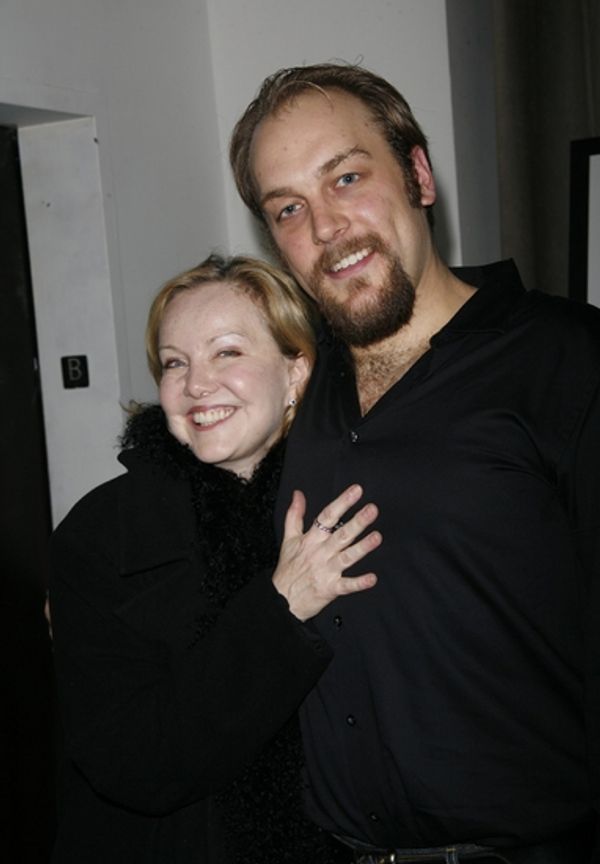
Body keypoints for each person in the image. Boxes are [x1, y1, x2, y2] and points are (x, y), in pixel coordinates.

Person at [229, 63, 600, 863]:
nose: (326, 227)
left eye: (347, 177)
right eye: (288, 208)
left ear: (419, 176)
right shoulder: (290, 387)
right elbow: (192, 482)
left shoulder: (570, 359)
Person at [48, 253, 382, 863]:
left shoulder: (355, 508)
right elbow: (133, 763)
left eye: (226, 352)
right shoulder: (103, 536)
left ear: (297, 370)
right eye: (174, 362)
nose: (196, 384)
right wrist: (280, 608)